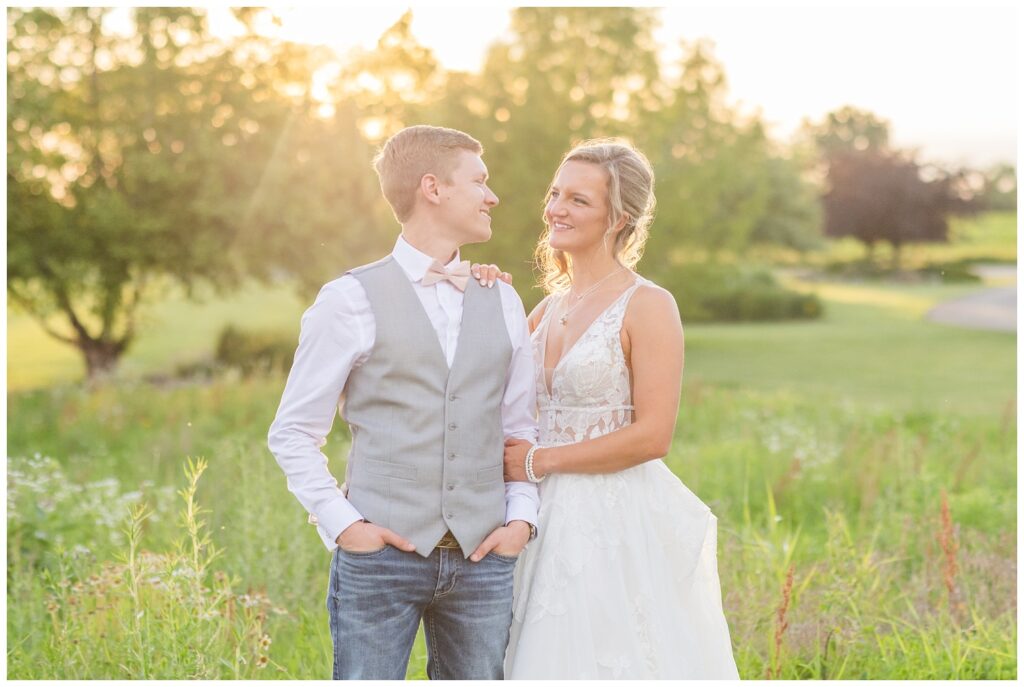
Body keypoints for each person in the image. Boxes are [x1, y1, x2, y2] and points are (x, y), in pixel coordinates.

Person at [267, 125, 539, 680]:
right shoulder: (348, 300)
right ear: (433, 188)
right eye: (480, 182)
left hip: (484, 559)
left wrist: (521, 521)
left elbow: (519, 428)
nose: (493, 197)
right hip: (379, 560)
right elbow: (293, 432)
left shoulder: (504, 299)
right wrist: (345, 525)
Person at [497, 139, 739, 678]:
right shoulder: (545, 307)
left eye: (578, 200)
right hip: (533, 515)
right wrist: (482, 295)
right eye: (555, 193)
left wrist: (541, 462)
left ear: (619, 217)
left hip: (610, 518)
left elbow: (653, 435)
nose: (556, 208)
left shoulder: (648, 304)